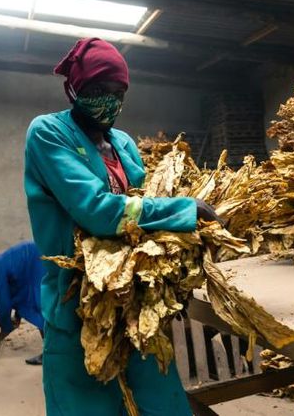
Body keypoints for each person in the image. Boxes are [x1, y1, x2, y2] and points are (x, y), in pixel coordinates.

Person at [24, 37, 220, 416]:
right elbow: (95, 210)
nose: (109, 100)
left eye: (118, 92)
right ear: (74, 88)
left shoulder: (124, 144)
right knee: (86, 404)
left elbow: (140, 207)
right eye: (98, 90)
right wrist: (184, 210)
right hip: (77, 303)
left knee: (162, 403)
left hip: (134, 299)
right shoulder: (48, 133)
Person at [0, 241, 45, 365]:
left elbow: (2, 303)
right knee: (37, 302)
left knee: (40, 307)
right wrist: (17, 316)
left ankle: (50, 354)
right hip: (33, 258)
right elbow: (17, 294)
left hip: (36, 261)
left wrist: (5, 327)